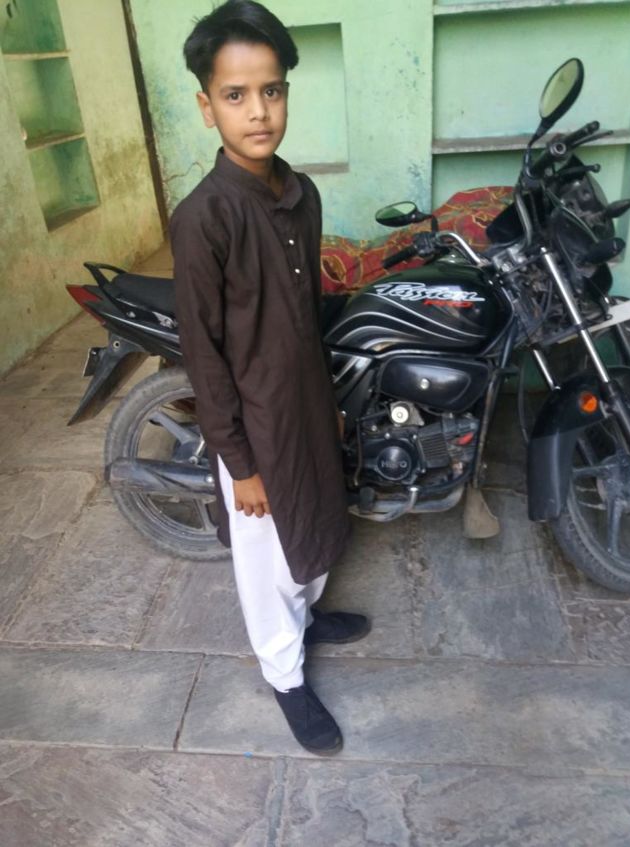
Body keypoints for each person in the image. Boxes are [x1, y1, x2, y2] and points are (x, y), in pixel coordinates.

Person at [170, 0, 371, 756]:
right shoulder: (204, 218)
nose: (258, 110)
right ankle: (285, 676)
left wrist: (328, 403)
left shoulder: (301, 194)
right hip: (252, 425)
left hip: (306, 402)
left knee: (315, 516)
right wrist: (240, 462)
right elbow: (204, 353)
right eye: (236, 94)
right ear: (207, 107)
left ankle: (308, 617)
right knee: (266, 558)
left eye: (272, 90)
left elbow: (304, 313)